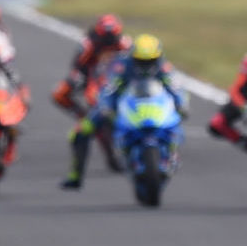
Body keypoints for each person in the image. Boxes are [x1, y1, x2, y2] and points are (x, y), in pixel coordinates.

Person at [61, 34, 185, 190]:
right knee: (81, 131)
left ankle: (172, 155)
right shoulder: (122, 66)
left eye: (150, 61)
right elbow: (109, 88)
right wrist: (105, 106)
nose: (146, 65)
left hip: (153, 106)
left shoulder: (163, 66)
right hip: (123, 105)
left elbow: (175, 88)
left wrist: (182, 104)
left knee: (175, 124)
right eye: (141, 61)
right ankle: (75, 175)